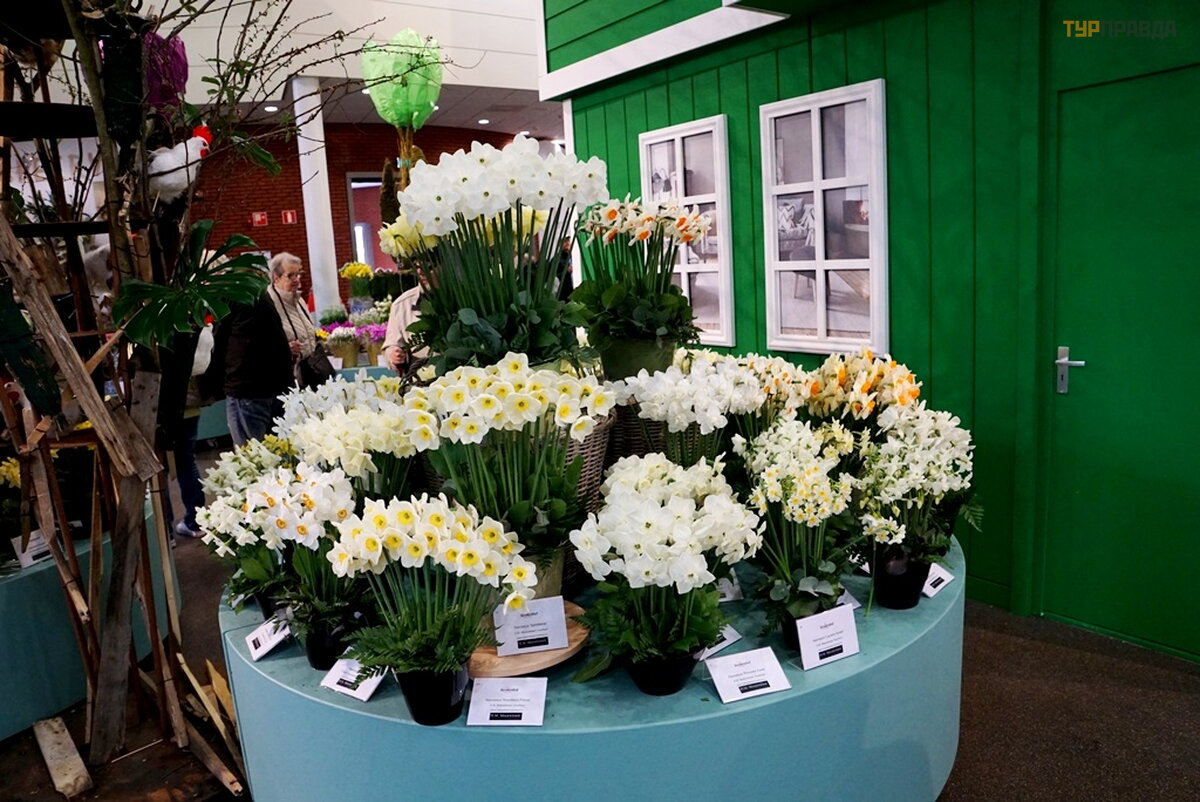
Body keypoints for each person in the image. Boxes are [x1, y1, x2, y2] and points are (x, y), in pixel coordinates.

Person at [212, 254, 297, 446]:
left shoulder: (233, 297)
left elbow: (219, 342)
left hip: (247, 389)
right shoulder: (261, 296)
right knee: (276, 453)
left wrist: (212, 385)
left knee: (252, 456)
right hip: (275, 386)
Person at [266, 252, 317, 382]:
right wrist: (285, 348)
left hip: (307, 369)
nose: (296, 279)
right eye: (290, 275)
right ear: (276, 277)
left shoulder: (299, 299)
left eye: (298, 274)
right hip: (284, 374)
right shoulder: (268, 303)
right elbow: (261, 343)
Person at [382, 280, 425, 374]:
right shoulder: (402, 304)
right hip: (419, 376)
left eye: (429, 270)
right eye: (417, 270)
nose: (421, 273)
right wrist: (393, 353)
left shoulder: (457, 295)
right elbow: (392, 344)